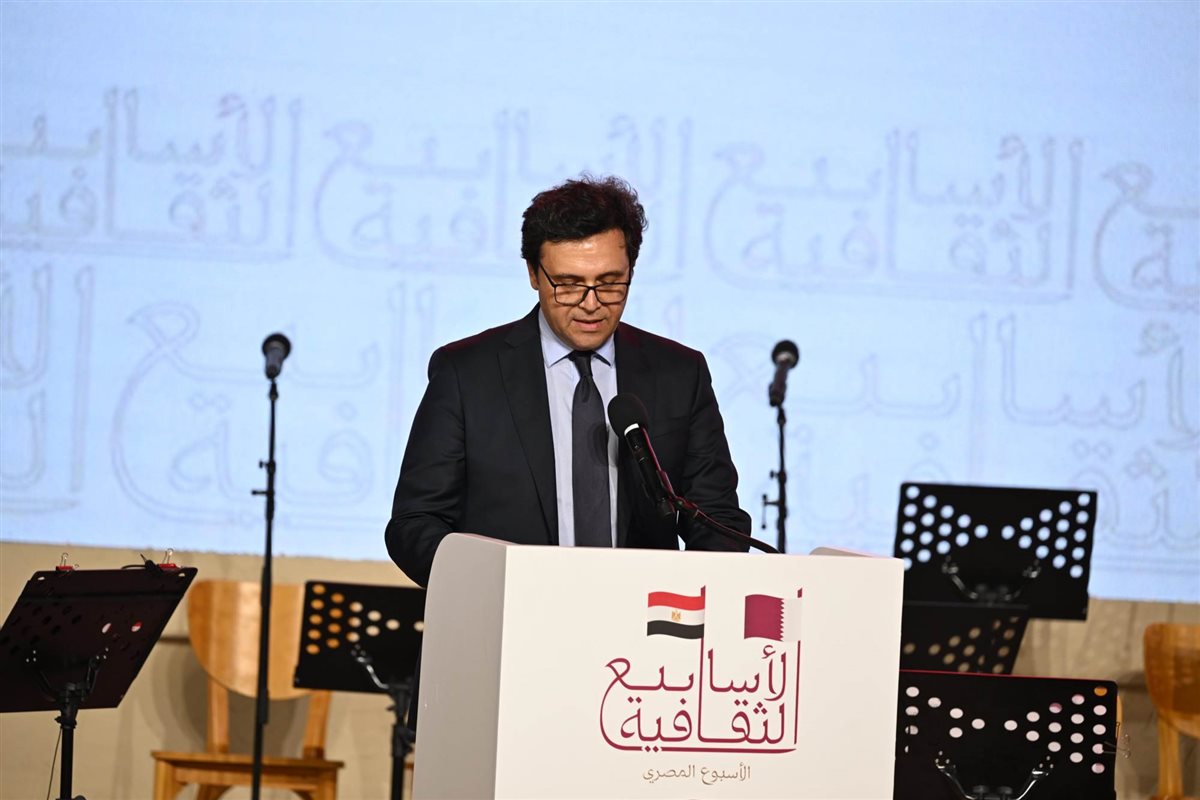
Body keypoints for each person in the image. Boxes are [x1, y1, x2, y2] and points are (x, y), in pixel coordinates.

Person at [385, 175, 751, 588]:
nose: (591, 304)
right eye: (569, 284)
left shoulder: (679, 374)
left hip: (641, 620)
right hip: (508, 615)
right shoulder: (466, 373)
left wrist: (693, 595)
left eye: (610, 283)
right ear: (533, 273)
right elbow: (415, 524)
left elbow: (717, 520)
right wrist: (492, 589)